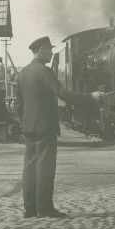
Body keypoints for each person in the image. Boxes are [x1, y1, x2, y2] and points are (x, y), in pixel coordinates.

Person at [17, 36, 103, 218]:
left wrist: (24, 122)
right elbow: (63, 94)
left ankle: (30, 209)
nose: (51, 53)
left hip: (29, 126)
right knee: (45, 167)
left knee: (30, 167)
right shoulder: (44, 72)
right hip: (44, 126)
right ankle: (45, 208)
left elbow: (19, 104)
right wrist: (91, 98)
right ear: (40, 50)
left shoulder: (23, 73)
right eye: (49, 50)